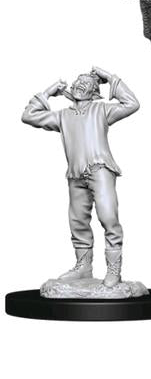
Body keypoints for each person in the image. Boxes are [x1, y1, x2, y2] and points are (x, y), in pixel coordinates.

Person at [22, 66, 140, 287]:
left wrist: (110, 78)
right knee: (77, 221)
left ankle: (114, 269)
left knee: (108, 217)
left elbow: (132, 103)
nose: (80, 85)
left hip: (100, 170)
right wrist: (49, 92)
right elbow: (28, 116)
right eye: (78, 81)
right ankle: (83, 266)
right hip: (75, 175)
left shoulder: (101, 110)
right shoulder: (62, 116)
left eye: (86, 83)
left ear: (94, 92)